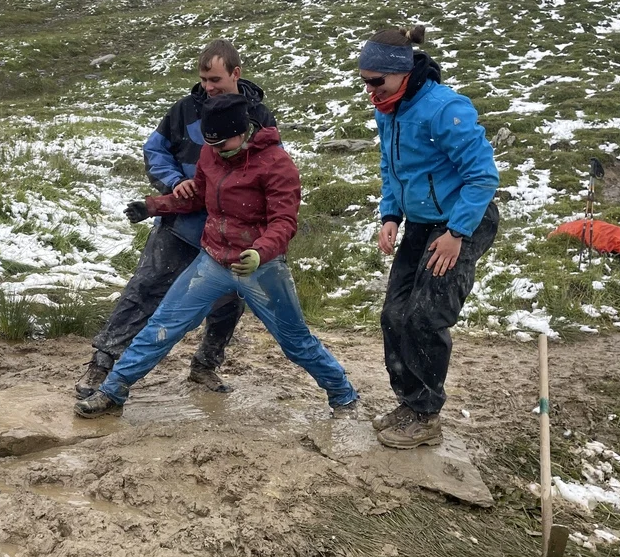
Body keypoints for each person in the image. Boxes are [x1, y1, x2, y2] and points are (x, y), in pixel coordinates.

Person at [74, 94, 360, 419]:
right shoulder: (211, 153)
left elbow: (284, 221)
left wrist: (259, 252)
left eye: (223, 143)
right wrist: (154, 206)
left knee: (296, 342)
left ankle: (343, 395)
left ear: (243, 130)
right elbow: (197, 196)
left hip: (261, 268)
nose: (217, 150)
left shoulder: (277, 164)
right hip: (213, 260)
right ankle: (113, 392)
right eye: (211, 143)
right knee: (162, 326)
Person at [75, 40, 277, 399]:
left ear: (236, 73)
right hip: (180, 226)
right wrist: (173, 182)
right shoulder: (184, 109)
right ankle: (101, 363)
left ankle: (205, 366)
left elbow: (272, 169)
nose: (208, 87)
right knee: (144, 290)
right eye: (203, 79)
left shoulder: (260, 117)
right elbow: (154, 150)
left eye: (215, 79)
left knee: (229, 302)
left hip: (232, 233)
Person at [359, 24, 500, 449]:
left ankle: (426, 415)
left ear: (402, 72)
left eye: (376, 81)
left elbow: (482, 176)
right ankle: (409, 403)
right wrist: (391, 215)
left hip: (461, 221)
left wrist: (457, 233)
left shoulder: (445, 109)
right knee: (394, 314)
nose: (370, 91)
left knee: (425, 317)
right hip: (420, 223)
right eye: (364, 81)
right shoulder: (388, 109)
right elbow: (391, 168)